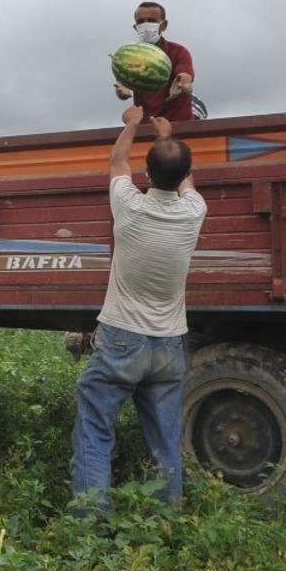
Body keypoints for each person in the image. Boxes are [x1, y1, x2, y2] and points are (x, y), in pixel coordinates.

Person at [69, 105, 207, 510]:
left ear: (147, 176)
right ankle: (168, 512)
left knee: (95, 427)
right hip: (169, 344)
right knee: (165, 437)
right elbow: (186, 183)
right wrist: (167, 137)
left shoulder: (129, 207)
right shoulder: (194, 212)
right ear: (184, 179)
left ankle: (92, 518)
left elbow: (117, 162)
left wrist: (132, 125)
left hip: (121, 340)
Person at [114, 1, 200, 122]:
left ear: (164, 25)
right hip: (145, 128)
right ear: (135, 27)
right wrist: (121, 89)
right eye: (141, 22)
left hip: (178, 126)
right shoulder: (129, 56)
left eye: (152, 21)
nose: (146, 25)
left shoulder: (179, 51)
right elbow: (122, 84)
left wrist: (183, 85)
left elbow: (185, 78)